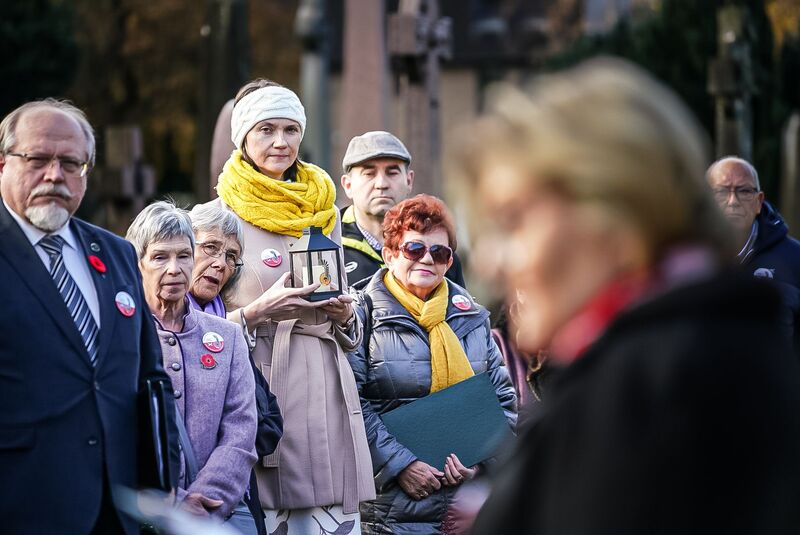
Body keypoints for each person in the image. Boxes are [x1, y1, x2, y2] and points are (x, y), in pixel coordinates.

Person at [452, 58, 800, 534]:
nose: (490, 263)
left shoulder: (648, 395)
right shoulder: (696, 350)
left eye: (513, 222)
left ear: (616, 211)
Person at [201, 78, 374, 534]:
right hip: (263, 382)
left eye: (290, 129)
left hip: (327, 381)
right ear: (243, 137)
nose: (281, 142)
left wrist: (344, 314)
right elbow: (194, 321)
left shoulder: (326, 210)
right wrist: (257, 313)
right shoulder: (219, 215)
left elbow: (343, 315)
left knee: (332, 519)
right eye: (266, 130)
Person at [0, 99, 178, 534]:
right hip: (21, 504)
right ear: (2, 163)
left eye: (70, 163)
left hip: (117, 507)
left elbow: (149, 377)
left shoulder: (116, 254)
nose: (54, 175)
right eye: (38, 159)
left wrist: (162, 479)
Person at [347, 194, 517, 534]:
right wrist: (401, 465)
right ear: (389, 253)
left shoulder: (471, 315)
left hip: (465, 509)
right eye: (414, 249)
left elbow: (504, 403)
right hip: (390, 509)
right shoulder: (360, 312)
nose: (427, 259)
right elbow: (348, 402)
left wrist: (479, 462)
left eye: (439, 252)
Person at [126, 200, 258, 528]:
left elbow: (241, 430)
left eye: (184, 255)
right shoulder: (119, 337)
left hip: (216, 515)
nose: (175, 268)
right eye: (160, 257)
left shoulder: (227, 336)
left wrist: (205, 499)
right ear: (138, 264)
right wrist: (173, 501)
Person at [187, 201, 284, 535]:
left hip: (232, 499)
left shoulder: (227, 330)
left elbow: (269, 423)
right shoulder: (153, 323)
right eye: (210, 248)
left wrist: (228, 454)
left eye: (231, 256)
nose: (220, 264)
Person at [340, 131, 465, 288]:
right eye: (369, 174)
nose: (381, 184)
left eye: (392, 173)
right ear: (348, 185)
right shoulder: (328, 243)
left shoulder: (438, 249)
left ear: (409, 180)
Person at [706, 156, 800, 353]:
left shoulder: (794, 259)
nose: (733, 201)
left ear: (759, 202)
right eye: (722, 191)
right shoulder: (681, 260)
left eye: (745, 191)